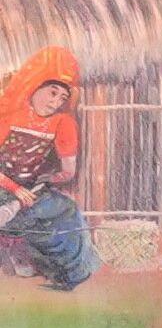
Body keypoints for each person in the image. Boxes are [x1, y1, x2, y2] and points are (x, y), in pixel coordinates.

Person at [0, 46, 94, 291]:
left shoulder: (61, 123)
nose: (55, 103)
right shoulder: (9, 116)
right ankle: (12, 248)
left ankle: (69, 275)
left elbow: (68, 171)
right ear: (35, 87)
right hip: (4, 184)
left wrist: (45, 181)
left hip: (31, 188)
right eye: (52, 93)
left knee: (66, 210)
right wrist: (14, 189)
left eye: (62, 98)